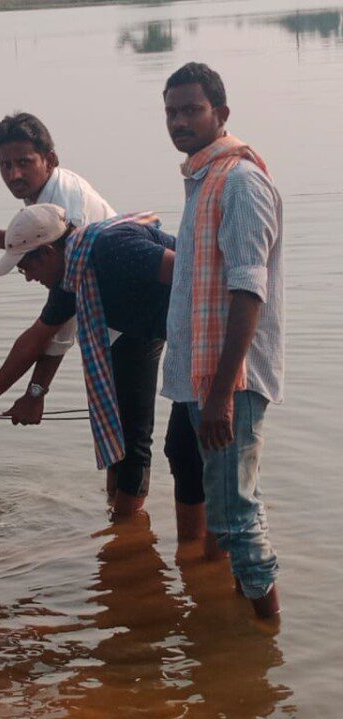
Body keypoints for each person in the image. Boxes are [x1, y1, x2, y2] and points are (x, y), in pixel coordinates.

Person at [0, 204, 203, 520]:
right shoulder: (71, 276)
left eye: (25, 268)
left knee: (185, 449)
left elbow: (192, 276)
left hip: (207, 335)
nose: (28, 278)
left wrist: (212, 363)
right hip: (163, 331)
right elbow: (34, 340)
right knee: (160, 444)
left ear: (45, 253)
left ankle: (162, 541)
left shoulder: (110, 248)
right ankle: (128, 529)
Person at [161, 62, 284, 619]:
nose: (180, 121)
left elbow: (247, 292)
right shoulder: (202, 180)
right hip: (203, 379)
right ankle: (245, 630)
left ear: (221, 114)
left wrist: (220, 396)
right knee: (231, 510)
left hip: (228, 383)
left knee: (236, 518)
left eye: (191, 109)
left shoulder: (238, 181)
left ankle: (264, 642)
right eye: (172, 112)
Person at [0, 113, 115, 427]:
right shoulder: (43, 196)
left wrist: (32, 393)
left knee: (124, 440)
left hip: (125, 326)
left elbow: (54, 324)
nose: (14, 174)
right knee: (118, 435)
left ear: (49, 159)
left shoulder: (68, 212)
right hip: (108, 321)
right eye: (5, 165)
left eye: (24, 162)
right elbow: (32, 241)